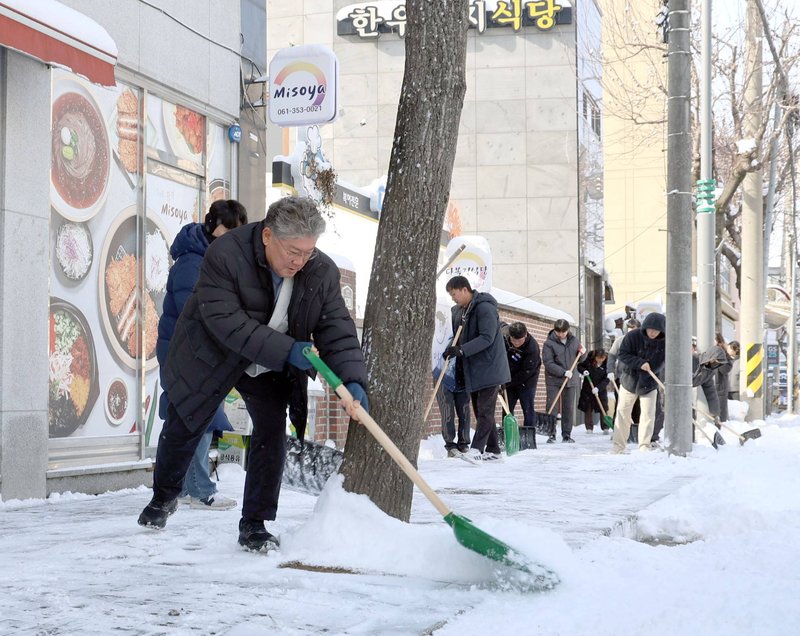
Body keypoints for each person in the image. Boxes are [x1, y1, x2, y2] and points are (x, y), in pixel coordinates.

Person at [138, 196, 368, 553]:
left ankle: (255, 524)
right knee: (186, 420)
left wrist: (351, 380)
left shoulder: (319, 271)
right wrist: (287, 349)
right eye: (293, 251)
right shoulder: (226, 254)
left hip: (266, 363)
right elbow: (224, 320)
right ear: (266, 236)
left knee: (272, 431)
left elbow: (335, 326)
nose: (300, 261)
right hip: (213, 352)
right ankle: (163, 496)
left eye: (308, 252)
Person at [155, 200, 248, 510]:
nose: (232, 238)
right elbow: (194, 313)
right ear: (213, 226)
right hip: (186, 353)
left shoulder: (210, 257)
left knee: (189, 419)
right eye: (228, 230)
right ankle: (199, 491)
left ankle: (181, 488)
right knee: (196, 418)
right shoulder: (192, 263)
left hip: (197, 353)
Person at [443, 275, 510, 461]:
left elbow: (487, 338)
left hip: (490, 367)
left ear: (465, 289)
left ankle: (476, 450)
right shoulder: (463, 310)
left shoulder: (484, 308)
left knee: (485, 411)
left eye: (454, 294)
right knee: (481, 411)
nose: (453, 298)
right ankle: (494, 450)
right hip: (475, 369)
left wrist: (462, 350)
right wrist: (452, 350)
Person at [611, 312, 665, 453]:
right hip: (629, 381)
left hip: (650, 383)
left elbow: (666, 361)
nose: (653, 332)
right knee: (623, 413)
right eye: (650, 329)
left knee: (648, 415)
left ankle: (644, 446)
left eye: (656, 330)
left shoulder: (665, 342)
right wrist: (640, 363)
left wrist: (653, 367)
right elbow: (623, 354)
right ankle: (619, 446)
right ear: (645, 327)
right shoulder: (632, 336)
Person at [542, 318, 582, 443]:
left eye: (563, 332)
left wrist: (583, 352)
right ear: (554, 330)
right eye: (558, 332)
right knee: (552, 405)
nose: (561, 334)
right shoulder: (549, 343)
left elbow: (580, 358)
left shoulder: (574, 341)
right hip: (553, 379)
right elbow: (548, 363)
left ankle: (566, 434)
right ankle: (551, 433)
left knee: (568, 407)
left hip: (571, 380)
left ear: (567, 330)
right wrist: (563, 372)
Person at [503, 322, 541, 441]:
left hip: (527, 380)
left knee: (528, 408)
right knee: (507, 408)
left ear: (525, 336)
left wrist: (507, 382)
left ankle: (528, 438)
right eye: (514, 340)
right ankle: (508, 436)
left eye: (519, 341)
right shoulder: (505, 340)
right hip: (509, 378)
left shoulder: (532, 347)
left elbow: (526, 372)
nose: (516, 343)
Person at [432, 358, 472, 457]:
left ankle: (464, 443)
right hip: (443, 376)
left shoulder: (465, 342)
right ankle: (450, 445)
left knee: (464, 411)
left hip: (462, 376)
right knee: (447, 411)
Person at [577, 349, 610, 433]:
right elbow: (580, 366)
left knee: (603, 408)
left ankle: (605, 427)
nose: (600, 360)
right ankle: (589, 428)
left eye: (602, 358)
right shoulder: (589, 361)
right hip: (588, 388)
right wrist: (584, 371)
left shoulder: (607, 364)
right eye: (598, 358)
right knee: (588, 408)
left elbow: (606, 379)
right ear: (595, 357)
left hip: (600, 390)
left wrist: (598, 388)